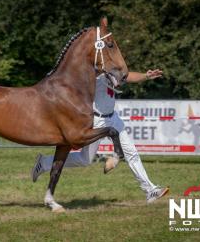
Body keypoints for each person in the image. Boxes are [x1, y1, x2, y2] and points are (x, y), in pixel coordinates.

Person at [31, 69, 169, 203]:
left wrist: (146, 75)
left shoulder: (111, 67)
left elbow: (126, 76)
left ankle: (150, 190)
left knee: (131, 152)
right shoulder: (92, 72)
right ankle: (44, 163)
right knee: (85, 160)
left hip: (113, 117)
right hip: (96, 121)